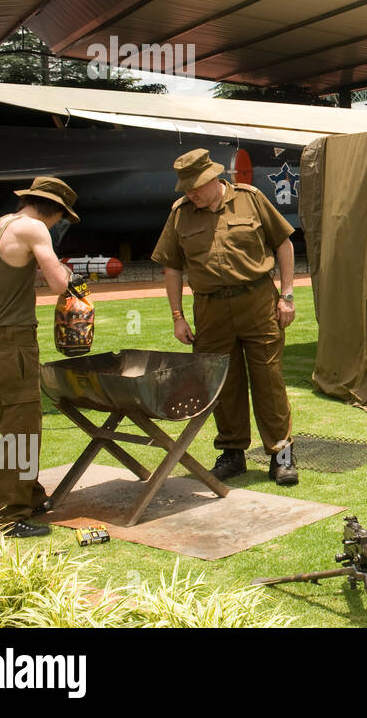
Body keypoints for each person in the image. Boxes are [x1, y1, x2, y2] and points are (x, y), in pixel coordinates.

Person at [151, 149, 298, 486]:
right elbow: (171, 266)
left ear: (213, 179)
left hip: (258, 302)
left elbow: (284, 244)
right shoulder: (180, 214)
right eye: (185, 190)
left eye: (195, 188)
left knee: (269, 381)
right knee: (221, 383)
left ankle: (282, 456)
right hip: (210, 309)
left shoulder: (251, 199)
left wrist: (287, 295)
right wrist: (177, 316)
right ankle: (233, 453)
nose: (190, 194)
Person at [0, 177, 80, 537]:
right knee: (20, 429)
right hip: (15, 341)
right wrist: (70, 275)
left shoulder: (1, 223)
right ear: (54, 211)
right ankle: (6, 514)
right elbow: (58, 284)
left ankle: (30, 494)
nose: (56, 225)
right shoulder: (35, 228)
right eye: (60, 219)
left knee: (18, 421)